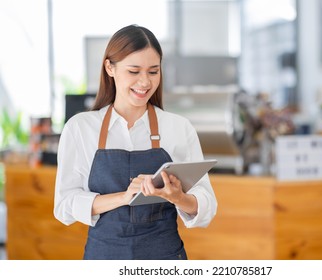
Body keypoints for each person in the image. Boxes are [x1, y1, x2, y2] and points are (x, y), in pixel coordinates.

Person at [53, 24, 217, 260]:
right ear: (110, 67)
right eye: (134, 71)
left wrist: (177, 197)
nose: (145, 82)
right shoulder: (80, 128)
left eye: (153, 71)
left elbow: (207, 205)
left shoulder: (178, 128)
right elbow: (64, 206)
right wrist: (124, 197)